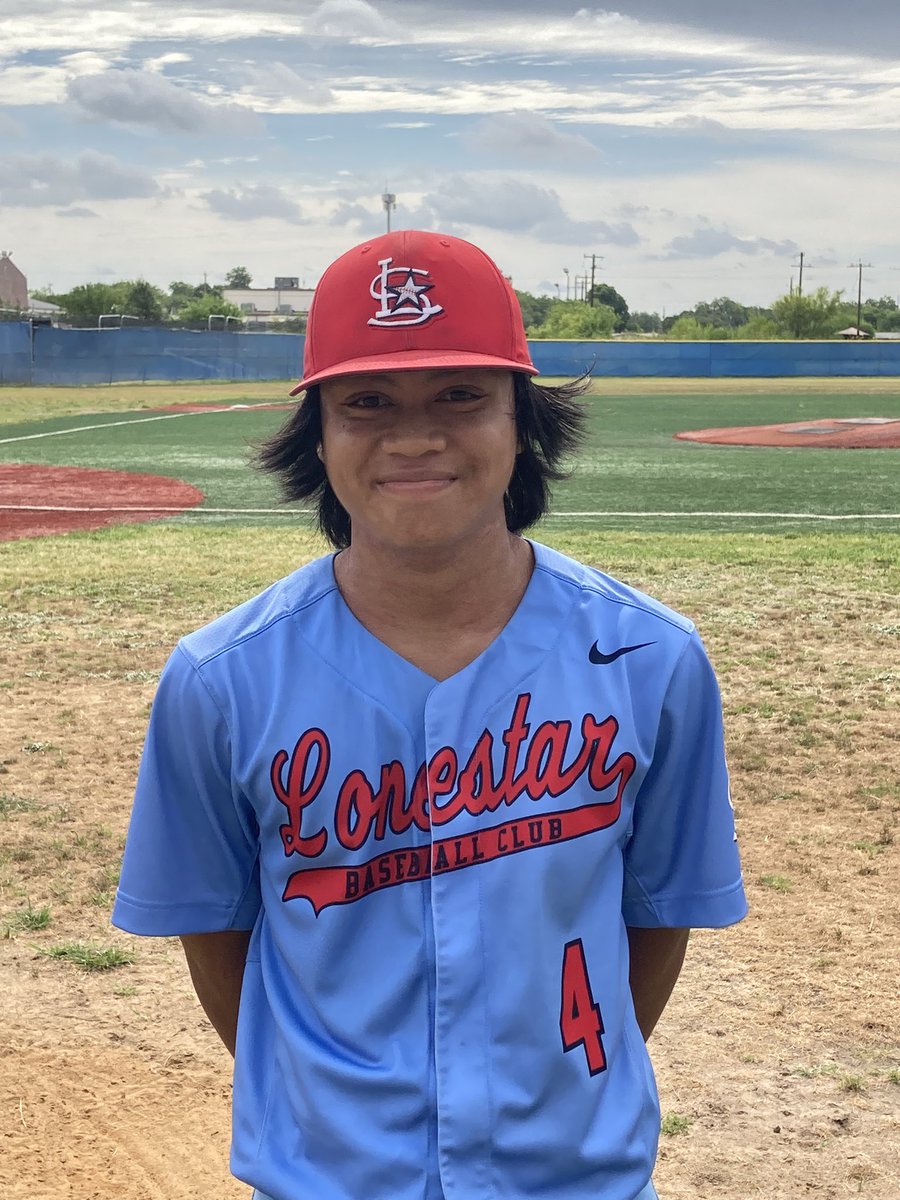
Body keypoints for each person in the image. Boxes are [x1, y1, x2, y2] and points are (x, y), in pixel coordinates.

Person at [112, 229, 747, 1200]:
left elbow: (655, 921)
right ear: (316, 431)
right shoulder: (220, 680)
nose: (414, 435)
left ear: (522, 420)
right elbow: (222, 943)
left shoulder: (651, 660)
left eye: (461, 394)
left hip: (580, 1181)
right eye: (367, 401)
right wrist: (339, 1113)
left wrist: (556, 1096)